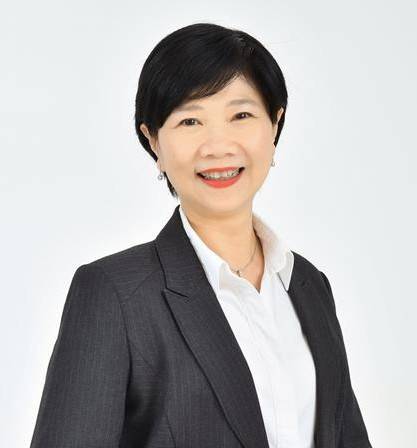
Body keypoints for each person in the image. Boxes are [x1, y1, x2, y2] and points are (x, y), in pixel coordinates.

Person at [30, 22, 373, 448]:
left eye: (241, 116)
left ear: (275, 124)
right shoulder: (116, 294)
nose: (218, 146)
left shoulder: (308, 285)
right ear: (153, 141)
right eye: (190, 120)